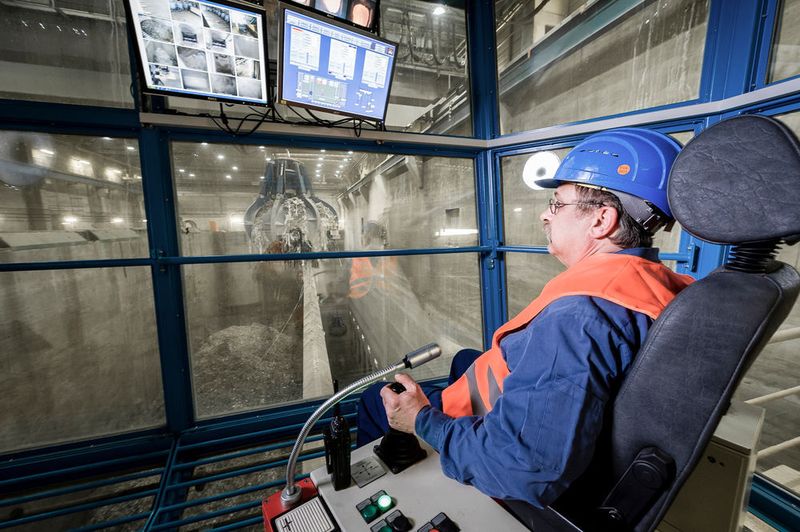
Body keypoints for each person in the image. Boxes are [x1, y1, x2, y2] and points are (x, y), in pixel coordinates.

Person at [356, 128, 695, 508]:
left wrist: (420, 419)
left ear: (602, 221)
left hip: (487, 445)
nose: (544, 215)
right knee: (469, 358)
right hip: (564, 421)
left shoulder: (578, 319)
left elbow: (520, 466)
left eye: (556, 203)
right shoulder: (652, 282)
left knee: (375, 399)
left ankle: (393, 497)